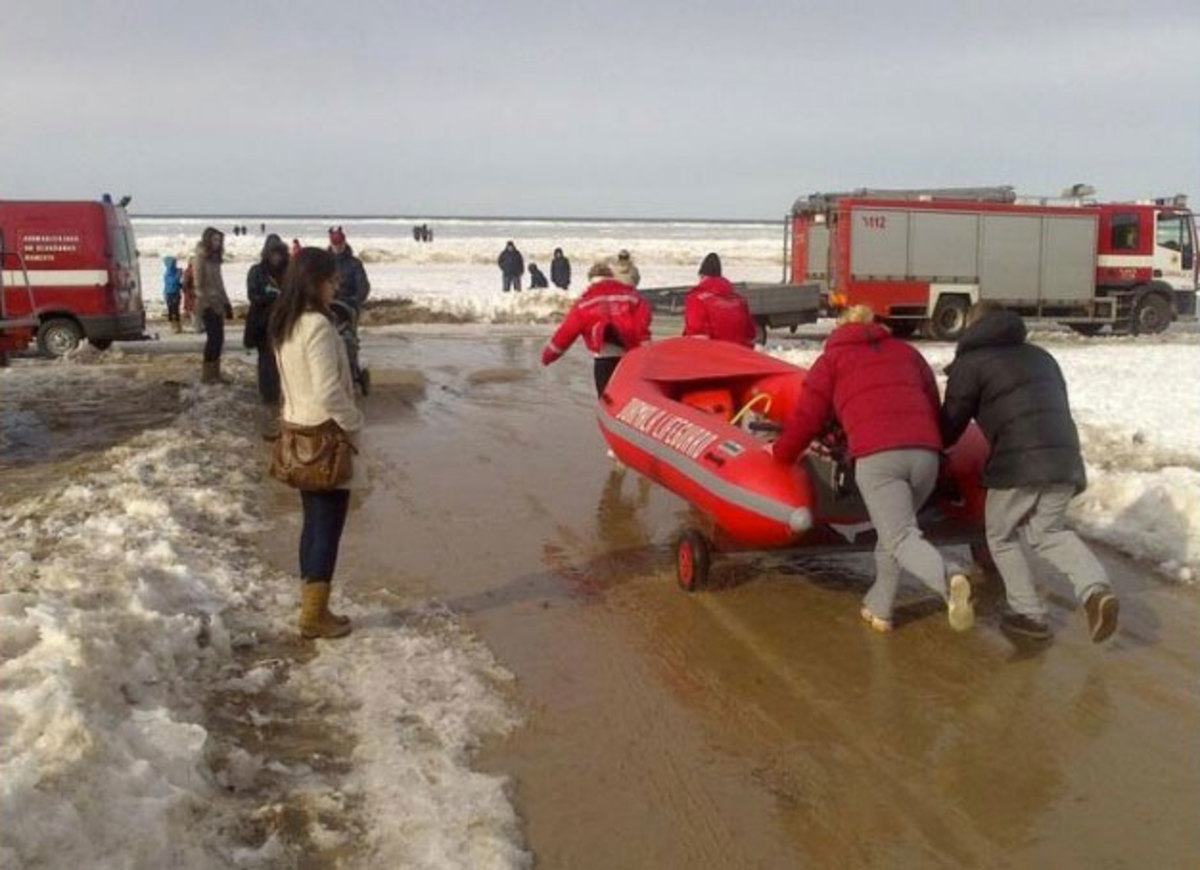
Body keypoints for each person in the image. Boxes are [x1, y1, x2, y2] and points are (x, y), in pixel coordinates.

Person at [771, 304, 974, 634]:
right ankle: (880, 608)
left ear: (839, 330)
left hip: (879, 458)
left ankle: (949, 578)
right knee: (893, 533)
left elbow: (807, 418)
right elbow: (931, 402)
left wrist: (781, 455)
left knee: (901, 536)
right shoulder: (908, 353)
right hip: (926, 456)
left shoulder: (832, 360)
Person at [941, 301, 1119, 642]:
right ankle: (1096, 591)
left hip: (1017, 462)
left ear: (973, 328)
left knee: (999, 535)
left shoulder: (970, 363)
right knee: (1048, 532)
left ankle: (1028, 614)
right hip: (1066, 457)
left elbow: (950, 426)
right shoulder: (1041, 356)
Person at [269, 247, 365, 639]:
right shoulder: (317, 327)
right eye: (331, 280)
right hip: (323, 437)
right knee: (326, 526)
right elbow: (328, 390)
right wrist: (353, 421)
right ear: (315, 282)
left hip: (297, 430)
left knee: (312, 523)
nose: (335, 286)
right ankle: (314, 614)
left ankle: (312, 605)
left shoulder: (286, 322)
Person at [541, 262, 652, 396]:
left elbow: (566, 333)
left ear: (591, 280)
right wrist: (644, 346)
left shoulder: (584, 303)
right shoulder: (631, 296)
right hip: (633, 356)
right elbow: (644, 319)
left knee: (608, 401)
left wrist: (548, 356)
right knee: (633, 397)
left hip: (604, 358)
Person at [245, 234, 288, 404]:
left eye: (279, 253)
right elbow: (252, 295)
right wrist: (271, 297)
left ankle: (282, 392)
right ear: (266, 254)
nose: (276, 257)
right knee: (265, 360)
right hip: (262, 322)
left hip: (283, 320)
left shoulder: (288, 271)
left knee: (283, 358)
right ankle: (267, 395)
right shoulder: (256, 271)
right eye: (273, 253)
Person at [683, 253, 757, 347]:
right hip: (738, 354)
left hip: (713, 356)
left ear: (702, 276)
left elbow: (698, 338)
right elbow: (751, 335)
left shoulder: (696, 299)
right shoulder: (739, 300)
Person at [192, 227, 233, 384]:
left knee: (219, 339)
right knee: (213, 338)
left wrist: (226, 303)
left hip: (218, 303)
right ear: (207, 240)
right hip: (206, 304)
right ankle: (208, 375)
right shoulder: (200, 257)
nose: (217, 243)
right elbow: (198, 285)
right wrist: (208, 304)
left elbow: (220, 284)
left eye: (219, 240)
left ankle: (215, 374)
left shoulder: (215, 259)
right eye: (215, 240)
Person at [328, 227, 371, 310]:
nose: (338, 247)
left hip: (349, 303)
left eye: (340, 243)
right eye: (335, 244)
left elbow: (363, 285)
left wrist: (356, 300)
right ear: (331, 244)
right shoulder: (324, 263)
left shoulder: (355, 263)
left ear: (344, 242)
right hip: (328, 303)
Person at [162, 256, 184, 334]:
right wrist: (178, 276)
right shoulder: (168, 273)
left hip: (175, 293)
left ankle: (178, 326)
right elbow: (172, 282)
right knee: (171, 310)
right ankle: (173, 326)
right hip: (170, 293)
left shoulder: (173, 272)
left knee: (175, 309)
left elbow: (177, 283)